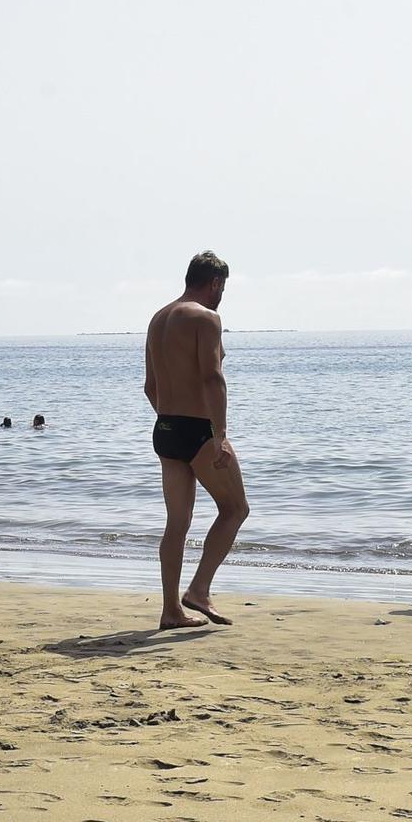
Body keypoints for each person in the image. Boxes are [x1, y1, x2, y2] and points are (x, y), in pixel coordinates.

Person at [143, 251, 247, 628]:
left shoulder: (159, 319)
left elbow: (150, 386)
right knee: (235, 509)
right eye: (223, 287)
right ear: (215, 283)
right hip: (199, 430)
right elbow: (212, 379)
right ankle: (199, 591)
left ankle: (171, 610)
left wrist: (171, 421)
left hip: (166, 428)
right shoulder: (207, 317)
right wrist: (219, 436)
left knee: (177, 524)